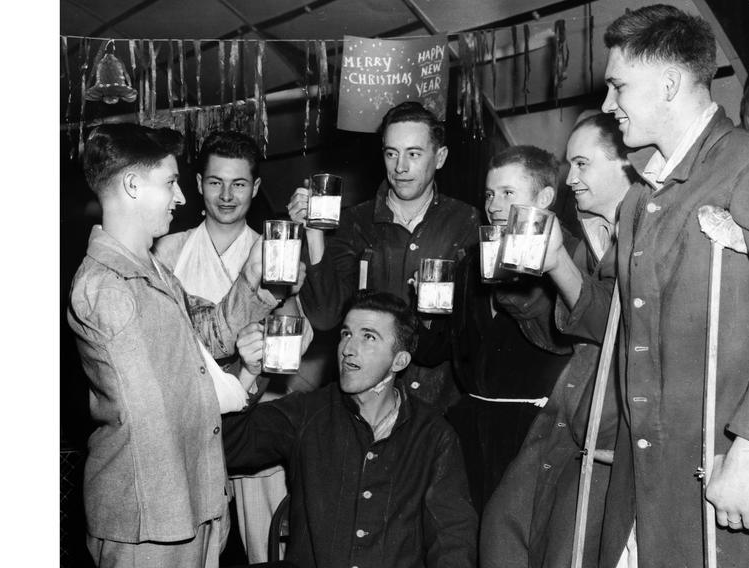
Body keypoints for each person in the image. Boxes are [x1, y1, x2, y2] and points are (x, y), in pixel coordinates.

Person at [598, 5, 749, 566]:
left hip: (718, 467)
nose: (609, 105)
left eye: (619, 87)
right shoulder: (642, 194)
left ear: (668, 84)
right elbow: (617, 322)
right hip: (642, 481)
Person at [67, 123, 283, 567]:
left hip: (188, 501)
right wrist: (238, 382)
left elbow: (210, 331)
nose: (182, 197)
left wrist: (255, 281)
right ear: (131, 185)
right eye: (169, 183)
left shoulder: (154, 272)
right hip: (148, 517)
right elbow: (158, 404)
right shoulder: (105, 287)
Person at [222, 290, 478, 568]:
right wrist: (248, 373)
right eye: (346, 334)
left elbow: (453, 539)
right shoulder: (308, 413)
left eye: (368, 336)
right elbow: (229, 449)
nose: (348, 348)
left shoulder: (433, 435)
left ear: (399, 361)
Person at [480, 113, 634, 568]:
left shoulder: (637, 239)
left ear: (625, 165)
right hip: (565, 415)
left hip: (607, 428)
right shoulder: (586, 235)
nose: (571, 180)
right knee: (503, 530)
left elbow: (595, 330)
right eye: (570, 165)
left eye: (582, 164)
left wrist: (551, 269)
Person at [153, 130, 314, 564]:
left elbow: (297, 334)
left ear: (256, 188)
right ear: (198, 184)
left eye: (239, 184)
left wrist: (287, 306)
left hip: (260, 418)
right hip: (190, 420)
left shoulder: (272, 250)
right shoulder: (169, 250)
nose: (226, 195)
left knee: (269, 549)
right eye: (215, 182)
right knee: (192, 550)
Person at [289, 101, 481, 411]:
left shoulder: (466, 221)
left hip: (442, 402)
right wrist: (312, 232)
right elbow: (325, 315)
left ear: (440, 157)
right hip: (367, 402)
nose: (400, 167)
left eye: (413, 154)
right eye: (391, 154)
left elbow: (474, 326)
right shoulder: (355, 222)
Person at [444, 145, 579, 513]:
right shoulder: (472, 259)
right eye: (489, 194)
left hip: (534, 429)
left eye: (508, 193)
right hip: (474, 427)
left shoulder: (570, 259)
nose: (494, 205)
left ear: (545, 198)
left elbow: (559, 341)